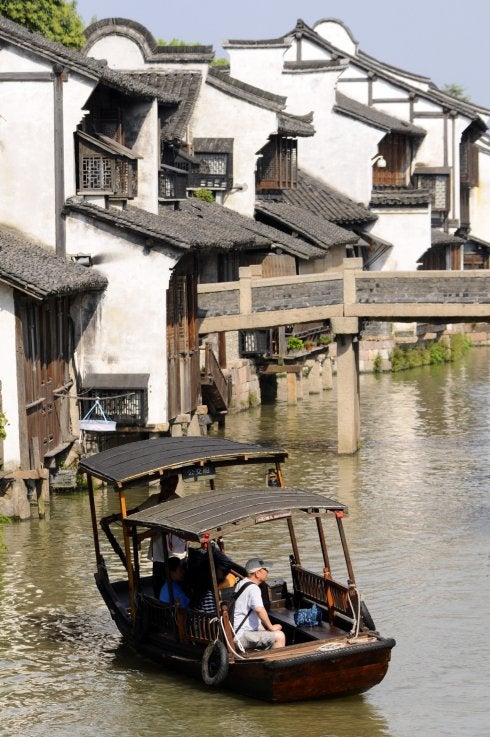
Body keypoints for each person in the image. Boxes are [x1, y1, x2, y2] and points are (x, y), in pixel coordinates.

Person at [232, 558, 285, 650]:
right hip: (241, 637)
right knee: (280, 636)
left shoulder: (242, 583)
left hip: (236, 633)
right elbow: (259, 610)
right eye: (265, 569)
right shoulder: (254, 588)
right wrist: (271, 628)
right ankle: (273, 658)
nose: (267, 571)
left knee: (269, 629)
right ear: (257, 573)